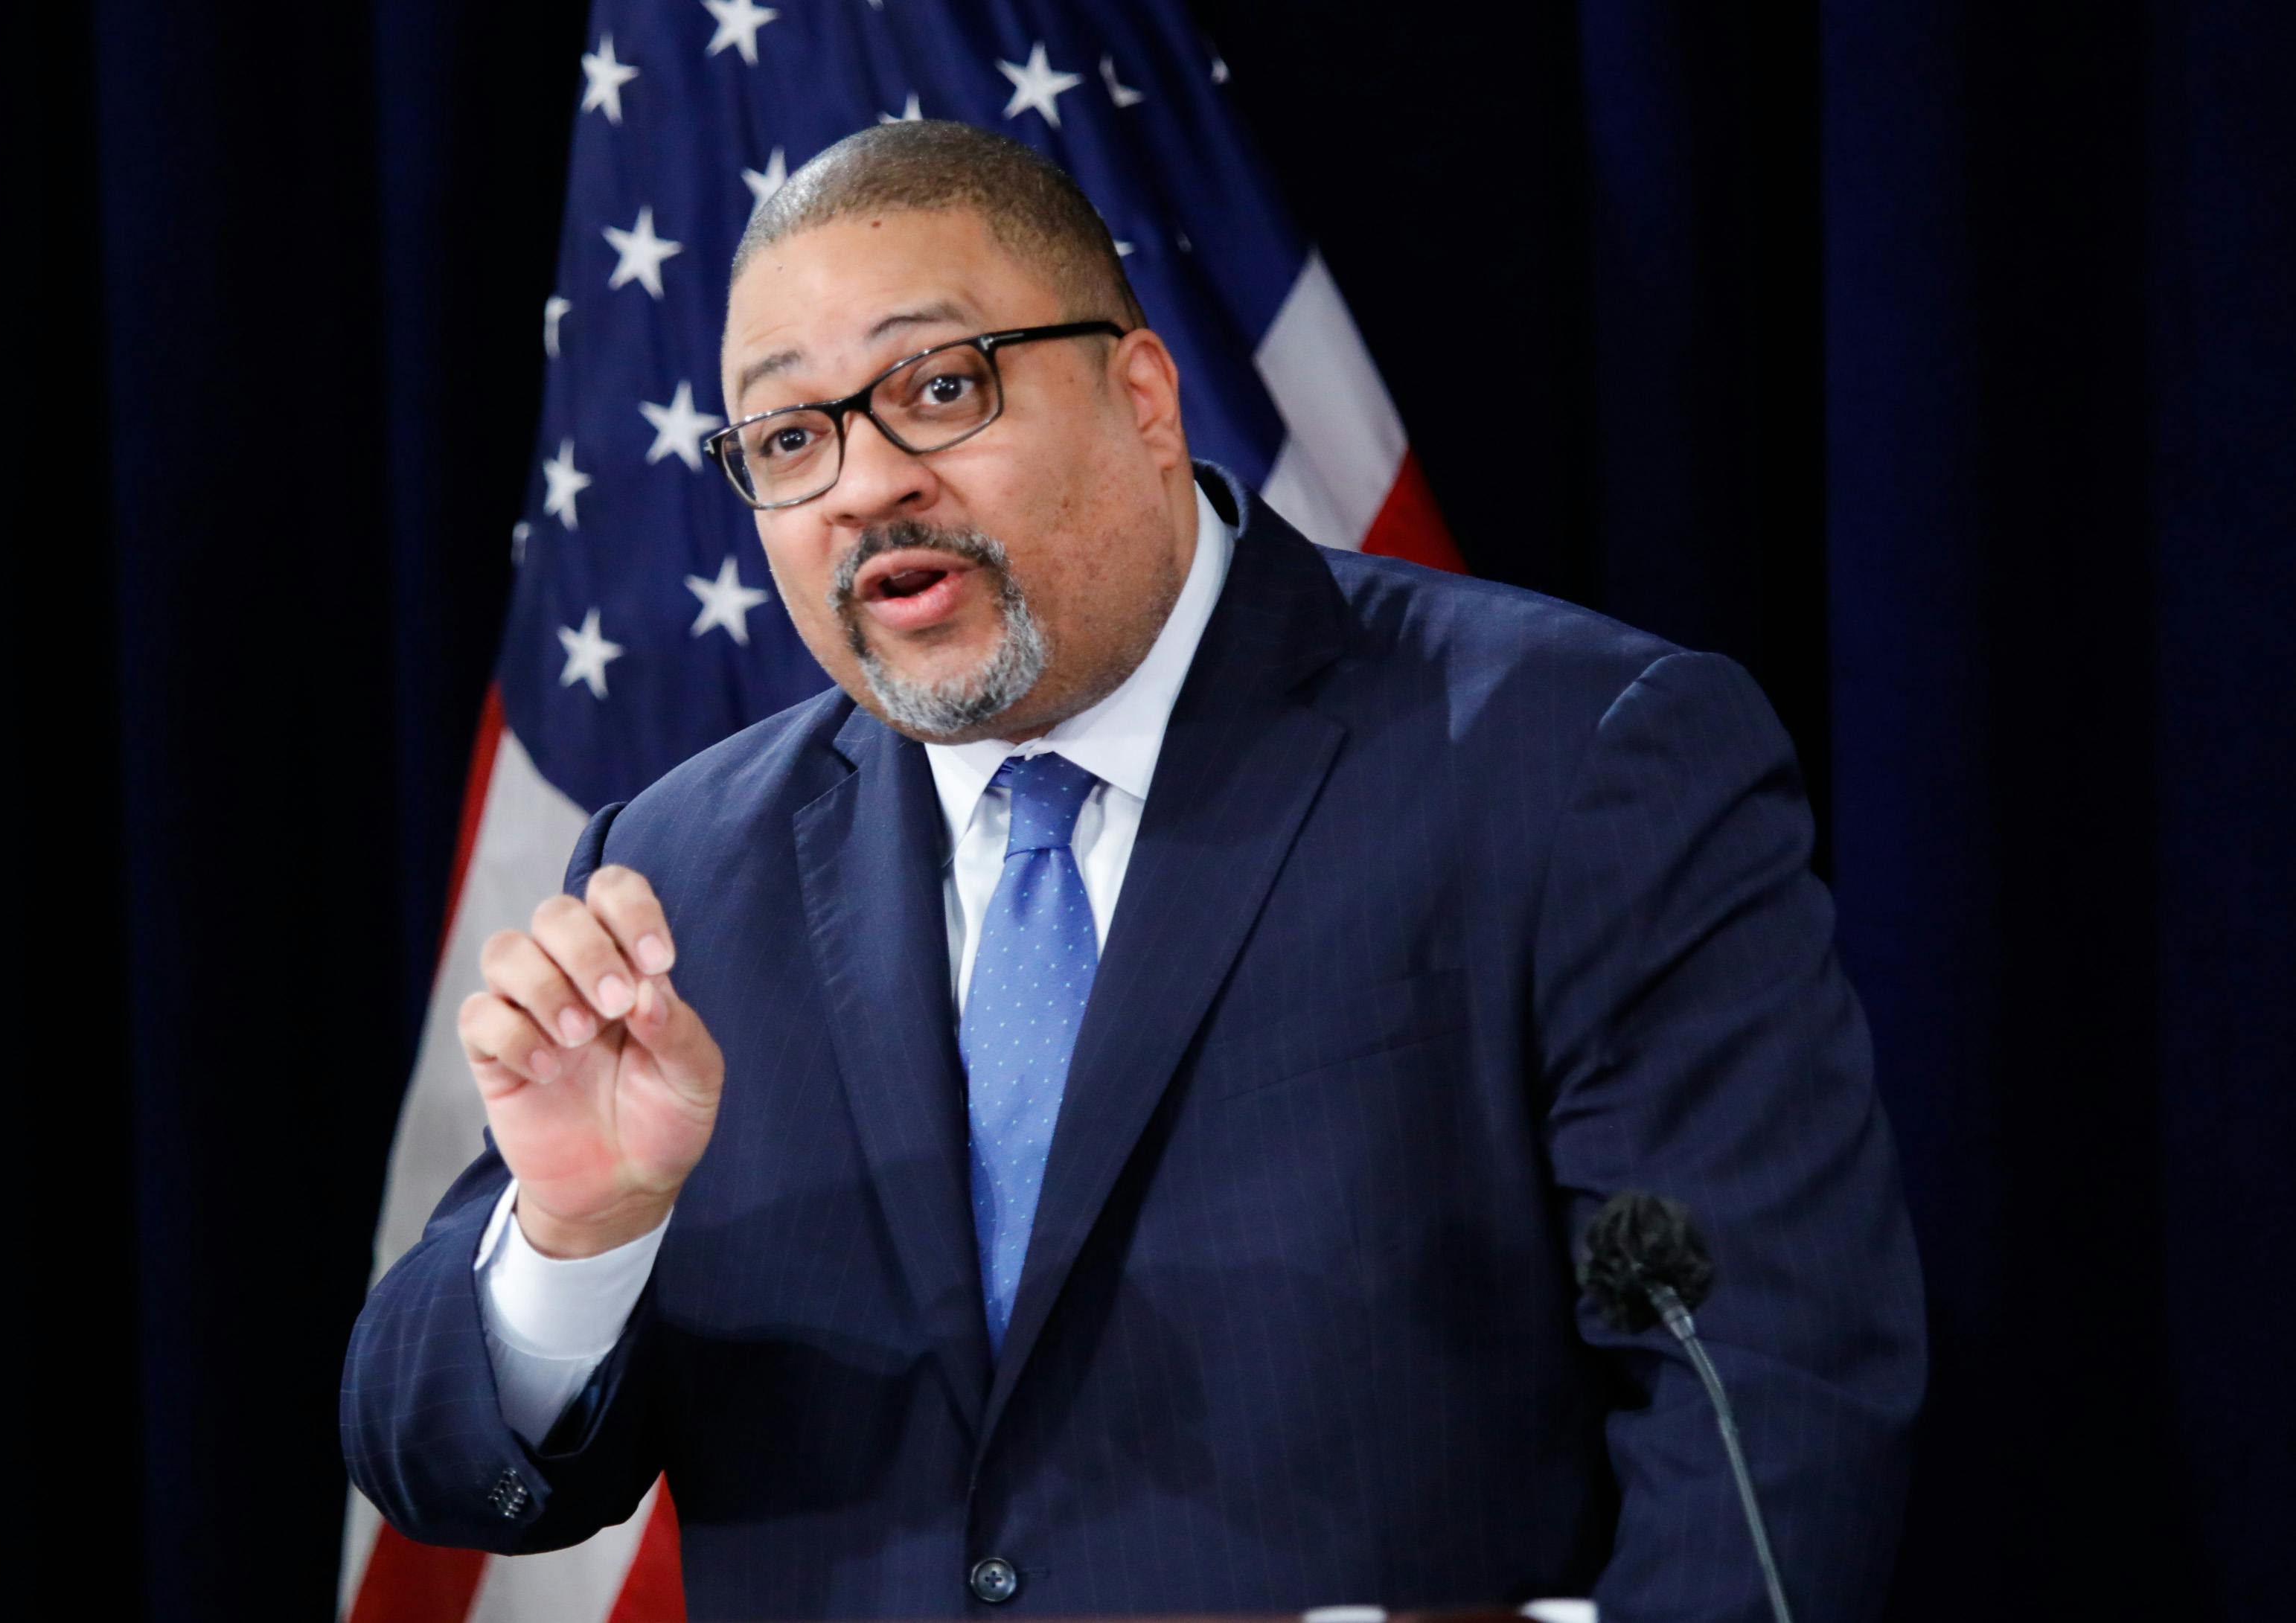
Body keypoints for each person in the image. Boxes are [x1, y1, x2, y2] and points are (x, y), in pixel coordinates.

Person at [342, 121, 1924, 1623]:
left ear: (1145, 397)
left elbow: (1768, 1393)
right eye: (789, 434)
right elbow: (438, 1464)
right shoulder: (680, 874)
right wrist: (577, 1232)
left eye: (939, 386)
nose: (866, 480)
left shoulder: (1566, 757)